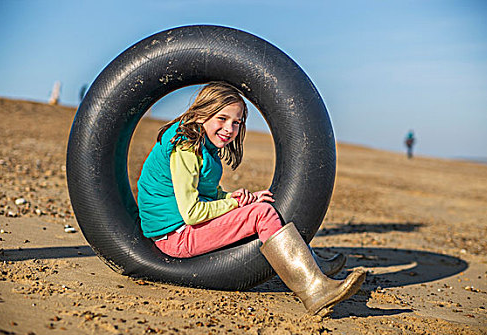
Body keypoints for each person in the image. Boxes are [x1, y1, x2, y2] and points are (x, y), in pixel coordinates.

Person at [137, 82, 365, 315]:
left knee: (263, 203)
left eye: (236, 122)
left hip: (181, 227)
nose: (229, 128)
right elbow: (192, 213)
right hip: (175, 235)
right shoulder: (186, 148)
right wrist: (235, 204)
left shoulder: (203, 146)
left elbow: (204, 193)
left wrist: (236, 197)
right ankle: (314, 290)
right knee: (261, 213)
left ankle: (312, 266)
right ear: (202, 114)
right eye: (222, 119)